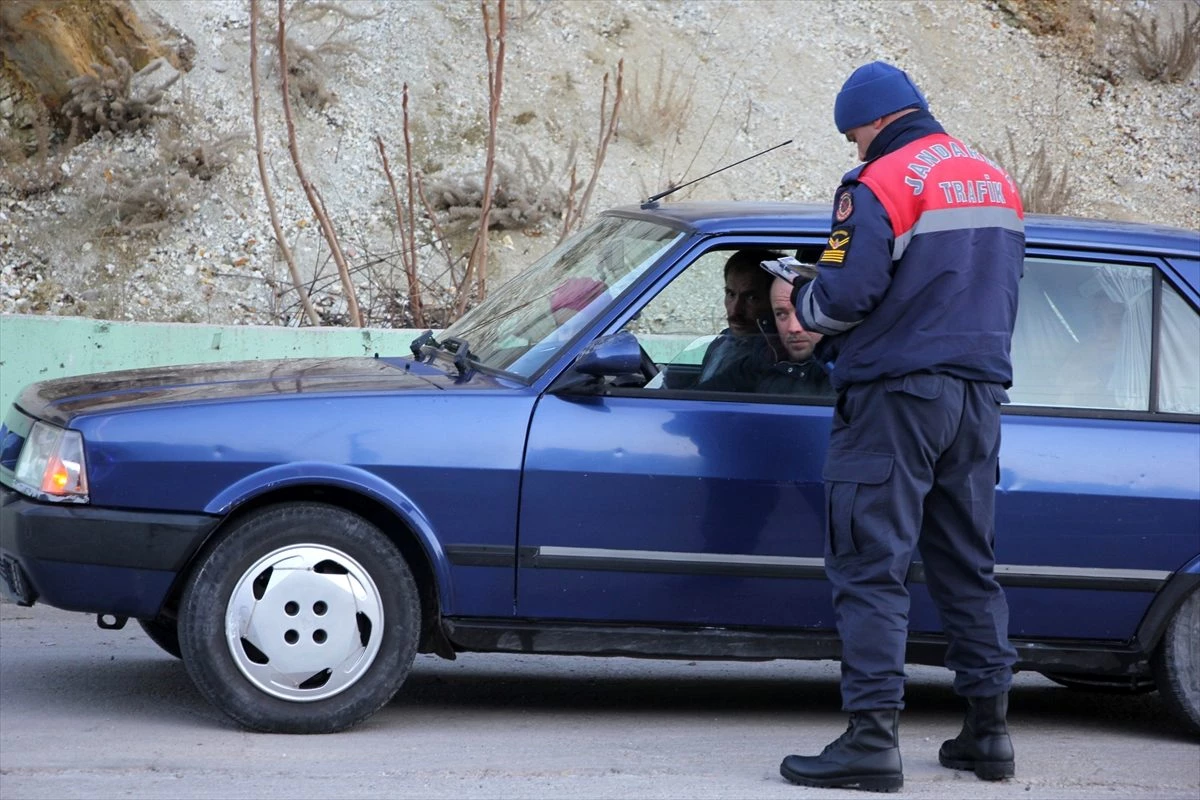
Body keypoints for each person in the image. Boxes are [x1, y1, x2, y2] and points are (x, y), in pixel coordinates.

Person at [775, 61, 1025, 793]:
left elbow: (849, 292)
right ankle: (989, 734)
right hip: (978, 397)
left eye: (853, 132)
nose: (853, 147)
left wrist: (802, 296)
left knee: (870, 565)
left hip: (896, 398)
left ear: (875, 118)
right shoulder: (993, 178)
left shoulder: (879, 181)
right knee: (966, 565)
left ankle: (870, 741)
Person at [693, 249, 778, 392]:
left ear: (775, 301)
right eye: (731, 294)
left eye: (751, 298)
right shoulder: (721, 342)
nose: (735, 310)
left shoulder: (773, 355)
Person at [756, 269, 833, 398]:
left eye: (805, 311)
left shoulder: (849, 375)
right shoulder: (757, 363)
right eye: (781, 314)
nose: (794, 328)